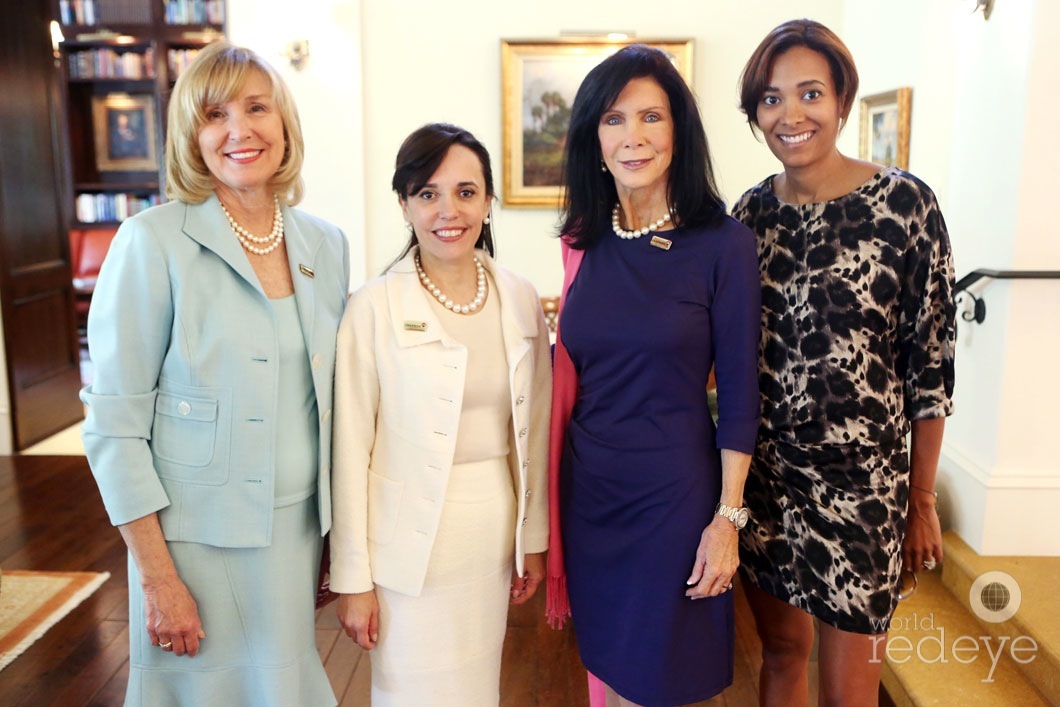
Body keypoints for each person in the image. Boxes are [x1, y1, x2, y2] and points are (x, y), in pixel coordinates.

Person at [80, 41, 349, 706]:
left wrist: (338, 541)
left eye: (257, 107)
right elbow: (115, 426)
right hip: (192, 548)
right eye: (214, 114)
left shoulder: (326, 243)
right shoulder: (151, 243)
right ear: (190, 137)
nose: (240, 130)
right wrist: (158, 580)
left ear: (284, 122)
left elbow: (334, 401)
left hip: (294, 537)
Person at [731, 19, 956, 706]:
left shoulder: (905, 205)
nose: (791, 115)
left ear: (842, 100)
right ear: (755, 113)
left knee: (850, 687)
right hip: (770, 484)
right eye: (771, 99)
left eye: (809, 93)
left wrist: (921, 500)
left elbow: (932, 371)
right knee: (780, 654)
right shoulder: (749, 217)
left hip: (865, 490)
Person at [547, 45, 762, 707]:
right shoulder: (583, 238)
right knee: (606, 669)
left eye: (651, 117)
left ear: (679, 131)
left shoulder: (724, 243)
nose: (633, 136)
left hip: (672, 498)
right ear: (594, 137)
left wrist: (727, 519)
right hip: (589, 493)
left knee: (659, 678)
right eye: (614, 119)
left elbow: (740, 389)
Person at [329, 122, 551, 706]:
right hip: (405, 548)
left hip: (491, 533)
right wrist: (352, 578)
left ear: (488, 201)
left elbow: (533, 432)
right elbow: (350, 450)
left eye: (465, 191)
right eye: (427, 193)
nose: (447, 210)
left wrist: (533, 536)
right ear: (404, 204)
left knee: (477, 689)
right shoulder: (372, 306)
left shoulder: (520, 296)